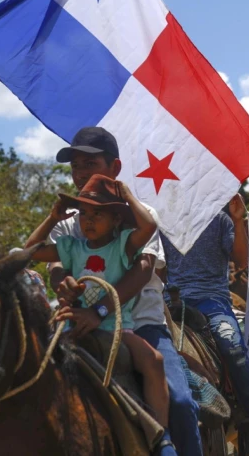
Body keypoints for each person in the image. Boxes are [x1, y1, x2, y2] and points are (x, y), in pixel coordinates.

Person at [47, 127, 201, 455]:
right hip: (76, 324)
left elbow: (143, 270)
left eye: (89, 163)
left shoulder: (141, 216)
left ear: (115, 169)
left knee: (180, 400)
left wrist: (100, 310)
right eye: (75, 166)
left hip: (141, 325)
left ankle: (169, 446)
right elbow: (54, 264)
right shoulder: (66, 222)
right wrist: (62, 281)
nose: (79, 173)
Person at [25, 174, 175, 455]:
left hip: (118, 328)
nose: (89, 220)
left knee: (154, 361)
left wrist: (128, 196)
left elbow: (150, 225)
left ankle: (162, 437)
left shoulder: (125, 245)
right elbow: (29, 251)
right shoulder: (72, 246)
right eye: (84, 214)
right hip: (73, 326)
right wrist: (51, 218)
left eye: (98, 214)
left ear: (117, 219)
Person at [160, 197, 249, 456]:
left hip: (212, 301)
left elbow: (241, 259)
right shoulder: (161, 222)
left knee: (232, 346)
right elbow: (159, 269)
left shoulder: (220, 220)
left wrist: (238, 218)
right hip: (168, 303)